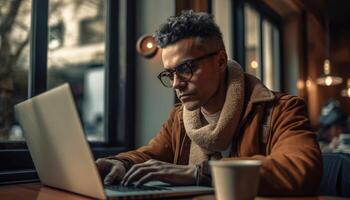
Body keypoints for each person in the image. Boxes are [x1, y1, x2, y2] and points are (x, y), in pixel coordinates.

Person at [96, 10, 322, 196]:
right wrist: (121, 163)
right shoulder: (179, 118)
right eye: (170, 74)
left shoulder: (282, 109)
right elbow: (150, 155)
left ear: (221, 61)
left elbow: (301, 170)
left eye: (185, 68)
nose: (176, 84)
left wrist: (198, 173)